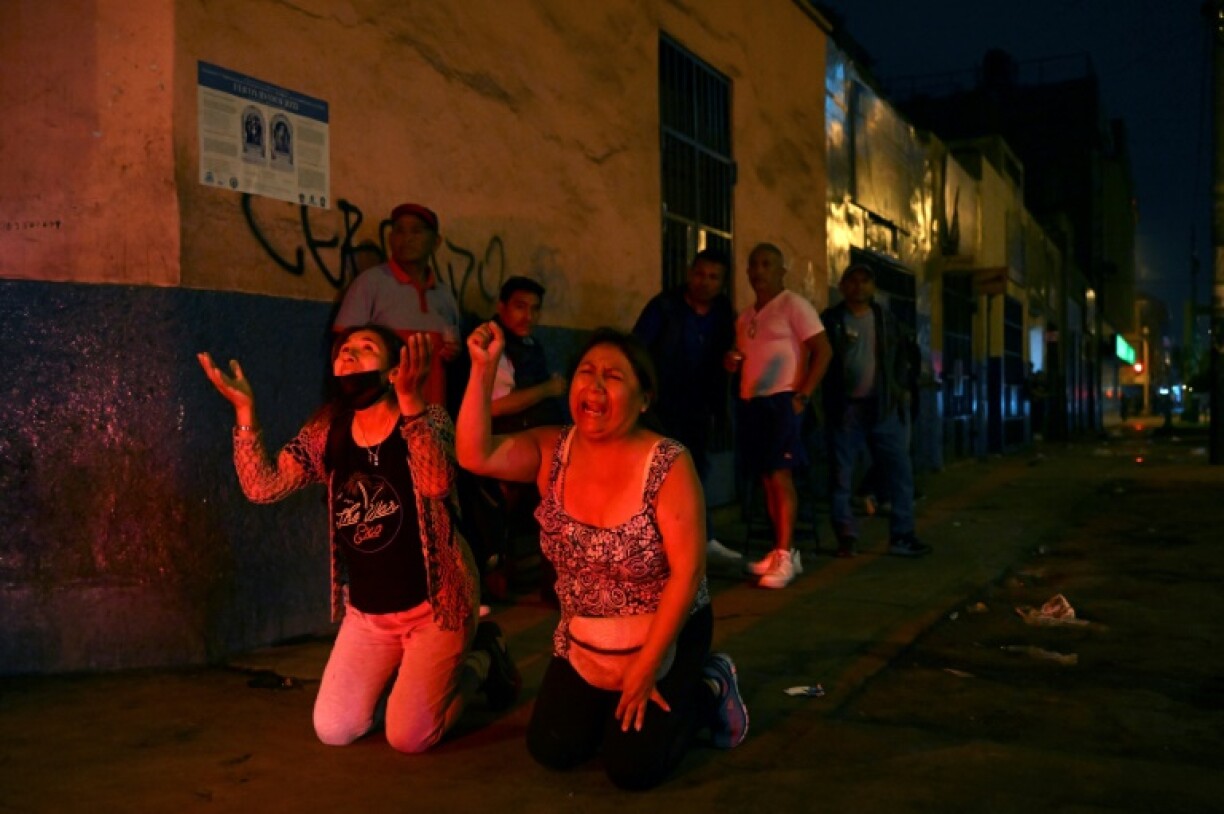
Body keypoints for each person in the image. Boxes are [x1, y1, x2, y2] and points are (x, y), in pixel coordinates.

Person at [197, 325, 520, 754]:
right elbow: (263, 486)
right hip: (370, 617)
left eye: (366, 349)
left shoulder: (429, 418)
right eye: (344, 350)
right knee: (334, 728)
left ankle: (480, 657)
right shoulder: (326, 431)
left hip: (437, 608)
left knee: (408, 736)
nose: (349, 355)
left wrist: (410, 400)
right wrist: (245, 412)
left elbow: (437, 482)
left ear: (393, 370)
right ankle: (414, 679)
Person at [457, 323, 749, 790]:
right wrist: (482, 368)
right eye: (585, 372)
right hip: (585, 642)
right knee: (553, 748)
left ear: (644, 398)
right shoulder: (551, 449)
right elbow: (474, 454)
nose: (593, 386)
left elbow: (688, 571)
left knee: (632, 768)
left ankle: (708, 686)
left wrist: (647, 665)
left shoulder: (668, 463)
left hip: (666, 636)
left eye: (612, 376)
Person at [724, 243, 832, 590]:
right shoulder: (745, 316)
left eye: (767, 264)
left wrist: (803, 394)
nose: (759, 271)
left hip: (782, 400)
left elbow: (823, 350)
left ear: (781, 271)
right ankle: (780, 550)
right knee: (768, 477)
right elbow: (743, 355)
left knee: (781, 476)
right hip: (752, 402)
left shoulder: (794, 305)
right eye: (753, 264)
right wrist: (732, 363)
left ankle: (785, 554)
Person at [633, 248, 741, 566]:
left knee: (693, 474)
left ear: (722, 282)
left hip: (700, 408)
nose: (704, 282)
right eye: (699, 273)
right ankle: (653, 546)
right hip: (661, 406)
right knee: (656, 474)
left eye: (713, 277)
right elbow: (637, 348)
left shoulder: (724, 314)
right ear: (688, 273)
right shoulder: (664, 306)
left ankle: (698, 540)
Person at [821, 263, 931, 558]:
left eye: (864, 281)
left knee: (900, 473)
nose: (858, 286)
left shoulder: (886, 320)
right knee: (841, 476)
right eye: (852, 281)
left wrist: (899, 390)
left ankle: (902, 536)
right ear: (843, 286)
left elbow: (904, 356)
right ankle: (846, 536)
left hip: (883, 407)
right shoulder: (830, 320)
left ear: (873, 288)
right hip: (846, 408)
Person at [467, 276, 567, 602]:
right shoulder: (493, 344)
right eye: (520, 307)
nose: (528, 316)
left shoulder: (528, 345)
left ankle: (558, 585)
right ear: (501, 307)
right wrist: (548, 390)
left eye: (535, 309)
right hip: (504, 445)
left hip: (536, 443)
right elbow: (493, 406)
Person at [333, 203, 461, 407]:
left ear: (435, 242)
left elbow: (454, 349)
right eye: (399, 230)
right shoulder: (370, 283)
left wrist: (453, 351)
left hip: (432, 410)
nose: (406, 238)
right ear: (391, 238)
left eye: (416, 231)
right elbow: (341, 346)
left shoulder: (444, 295)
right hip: (385, 411)